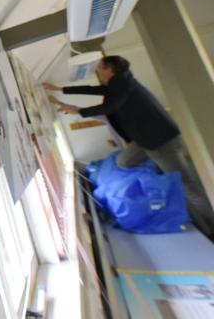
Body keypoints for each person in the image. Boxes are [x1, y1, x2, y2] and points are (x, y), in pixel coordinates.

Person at [45, 55, 214, 237]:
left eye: (99, 67)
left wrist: (78, 110)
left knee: (187, 185)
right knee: (124, 162)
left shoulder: (122, 85)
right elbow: (94, 90)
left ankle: (210, 223)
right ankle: (155, 179)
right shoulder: (118, 83)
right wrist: (60, 89)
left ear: (109, 70)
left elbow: (110, 107)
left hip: (161, 141)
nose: (98, 71)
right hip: (145, 139)